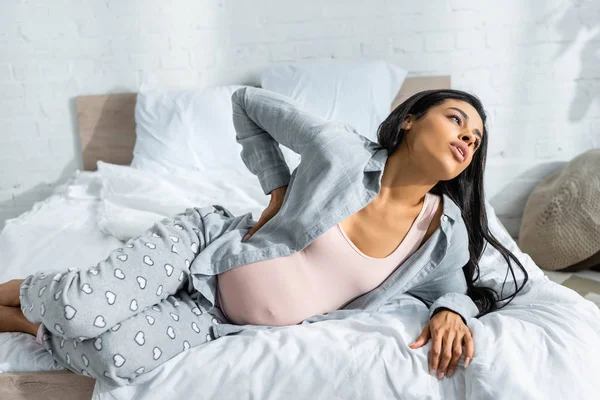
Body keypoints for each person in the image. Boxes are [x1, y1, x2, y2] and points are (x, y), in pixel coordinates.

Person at [0, 86, 528, 386]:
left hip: (215, 318)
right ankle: (26, 290)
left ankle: (23, 323)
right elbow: (247, 103)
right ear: (411, 121)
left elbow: (455, 287)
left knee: (115, 357)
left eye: (475, 138)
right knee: (78, 309)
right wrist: (276, 188)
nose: (466, 137)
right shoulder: (340, 151)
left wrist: (454, 311)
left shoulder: (443, 232)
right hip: (203, 249)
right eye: (456, 119)